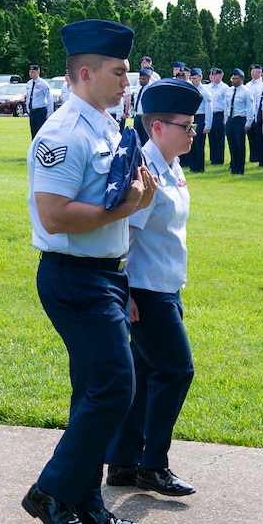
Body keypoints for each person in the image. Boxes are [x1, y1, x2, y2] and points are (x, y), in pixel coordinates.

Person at [22, 19, 157, 524]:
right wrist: (126, 207)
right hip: (73, 277)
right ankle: (52, 490)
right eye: (119, 72)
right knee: (115, 387)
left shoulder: (105, 124)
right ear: (85, 72)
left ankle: (86, 500)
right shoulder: (61, 134)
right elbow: (54, 216)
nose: (128, 80)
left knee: (92, 393)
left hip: (105, 275)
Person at [106, 78, 202, 498]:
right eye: (186, 125)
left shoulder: (171, 166)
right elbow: (122, 235)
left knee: (145, 375)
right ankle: (154, 465)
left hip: (165, 286)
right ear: (158, 127)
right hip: (145, 291)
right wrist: (123, 293)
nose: (194, 132)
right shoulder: (145, 172)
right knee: (177, 370)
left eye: (194, 125)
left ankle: (124, 462)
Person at [225, 68, 254, 175]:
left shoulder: (246, 92)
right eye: (232, 78)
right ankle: (233, 166)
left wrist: (248, 123)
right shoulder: (229, 90)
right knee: (232, 144)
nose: (233, 80)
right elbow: (226, 106)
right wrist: (225, 118)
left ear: (241, 80)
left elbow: (250, 108)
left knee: (239, 145)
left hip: (240, 120)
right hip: (230, 119)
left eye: (235, 79)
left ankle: (240, 168)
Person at [206, 67, 228, 165]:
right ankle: (213, 157)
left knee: (219, 137)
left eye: (215, 75)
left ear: (221, 76)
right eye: (212, 75)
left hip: (220, 113)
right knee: (211, 136)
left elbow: (226, 104)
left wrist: (225, 117)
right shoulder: (208, 87)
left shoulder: (224, 88)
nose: (213, 77)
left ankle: (219, 158)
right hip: (210, 114)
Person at [26, 64, 52, 139]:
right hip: (32, 112)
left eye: (33, 72)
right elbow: (28, 97)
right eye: (30, 72)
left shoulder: (43, 84)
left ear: (38, 73)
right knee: (33, 133)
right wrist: (28, 109)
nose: (31, 73)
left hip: (40, 111)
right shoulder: (29, 83)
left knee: (40, 133)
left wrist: (49, 113)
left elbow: (49, 98)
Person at [132, 67, 154, 144]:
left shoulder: (152, 88)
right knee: (137, 140)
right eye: (140, 79)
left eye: (143, 79)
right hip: (137, 117)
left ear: (148, 78)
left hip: (147, 117)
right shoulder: (138, 88)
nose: (141, 80)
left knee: (147, 140)